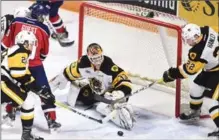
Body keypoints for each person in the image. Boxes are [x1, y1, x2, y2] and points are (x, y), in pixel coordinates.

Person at [1, 3, 61, 132]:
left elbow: (5, 44)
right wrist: (34, 61)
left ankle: (10, 113)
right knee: (45, 93)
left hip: (15, 62)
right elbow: (44, 53)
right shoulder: (44, 29)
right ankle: (52, 121)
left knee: (14, 88)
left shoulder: (16, 22)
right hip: (35, 66)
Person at [49, 43, 135, 130]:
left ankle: (121, 107)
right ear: (89, 58)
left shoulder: (109, 66)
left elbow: (125, 81)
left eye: (99, 57)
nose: (97, 62)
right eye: (94, 59)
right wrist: (52, 86)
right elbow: (68, 72)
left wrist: (120, 93)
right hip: (96, 92)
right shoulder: (83, 64)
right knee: (75, 95)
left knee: (105, 109)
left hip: (110, 95)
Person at [162, 23, 219, 137]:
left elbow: (189, 71)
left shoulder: (198, 51)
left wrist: (171, 74)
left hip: (216, 71)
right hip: (211, 67)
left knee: (212, 104)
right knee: (196, 88)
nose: (187, 42)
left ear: (196, 37)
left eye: (188, 40)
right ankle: (195, 112)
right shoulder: (207, 29)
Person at [1, 30, 55, 140]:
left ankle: (26, 135)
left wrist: (40, 89)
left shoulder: (16, 49)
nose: (32, 46)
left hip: (5, 82)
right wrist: (36, 89)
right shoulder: (21, 50)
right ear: (24, 42)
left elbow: (25, 74)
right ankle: (26, 135)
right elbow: (18, 74)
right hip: (3, 83)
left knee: (28, 100)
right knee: (28, 101)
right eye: (31, 43)